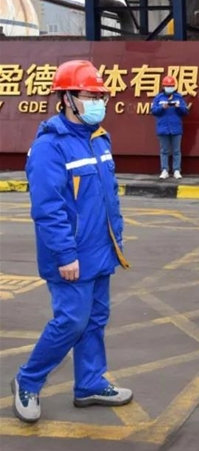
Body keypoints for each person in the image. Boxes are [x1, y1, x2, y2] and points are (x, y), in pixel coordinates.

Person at [11, 60, 133, 423]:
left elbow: (109, 196)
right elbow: (48, 209)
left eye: (101, 96)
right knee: (71, 322)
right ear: (66, 99)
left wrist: (116, 239)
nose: (98, 102)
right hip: (71, 256)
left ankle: (90, 383)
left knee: (95, 319)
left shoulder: (99, 138)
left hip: (101, 251)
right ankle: (27, 380)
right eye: (90, 95)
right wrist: (65, 254)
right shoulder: (50, 147)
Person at [151, 75, 188, 180]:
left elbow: (185, 111)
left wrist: (179, 107)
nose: (169, 88)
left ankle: (176, 170)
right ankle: (164, 170)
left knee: (176, 151)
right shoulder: (158, 98)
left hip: (176, 128)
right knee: (164, 151)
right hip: (163, 128)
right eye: (167, 86)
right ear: (163, 86)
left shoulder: (179, 97)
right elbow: (153, 111)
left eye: (171, 86)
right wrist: (162, 107)